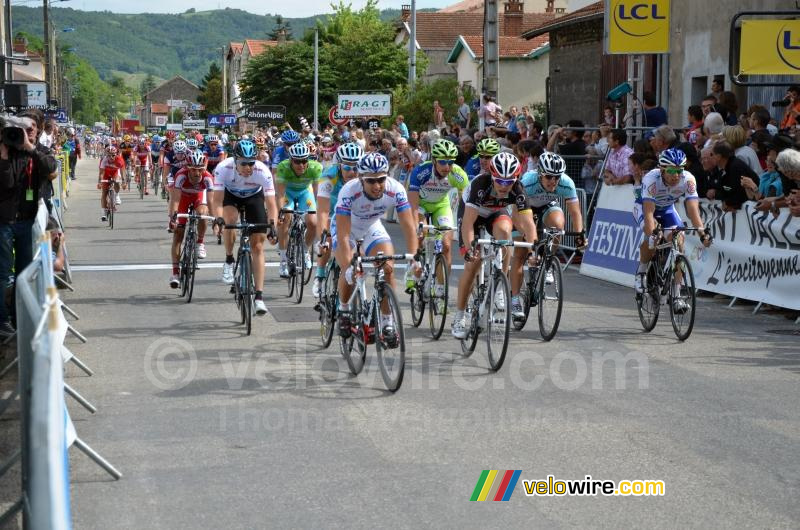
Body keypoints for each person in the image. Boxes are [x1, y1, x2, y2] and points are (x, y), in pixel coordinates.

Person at [334, 152, 419, 342]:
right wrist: (348, 265)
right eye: (371, 181)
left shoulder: (395, 189)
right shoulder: (349, 190)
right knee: (351, 271)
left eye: (381, 179)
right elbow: (344, 234)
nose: (377, 185)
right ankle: (344, 309)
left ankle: (387, 322)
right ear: (361, 178)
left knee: (387, 267)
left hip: (372, 226)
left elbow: (408, 226)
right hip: (347, 228)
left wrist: (414, 256)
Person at [451, 152, 537, 339]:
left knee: (505, 234)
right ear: (492, 176)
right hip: (472, 216)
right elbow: (467, 224)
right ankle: (459, 316)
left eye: (509, 182)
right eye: (499, 181)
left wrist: (533, 250)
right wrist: (469, 248)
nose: (504, 186)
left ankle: (500, 282)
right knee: (472, 264)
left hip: (494, 214)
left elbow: (528, 223)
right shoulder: (480, 185)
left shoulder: (519, 190)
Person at [0, 115, 58, 337]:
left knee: (25, 274)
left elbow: (50, 168)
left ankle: (20, 318)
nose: (27, 131)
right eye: (22, 128)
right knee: (4, 274)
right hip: (4, 221)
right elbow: (7, 185)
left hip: (27, 221)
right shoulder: (7, 150)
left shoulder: (37, 149)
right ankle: (3, 321)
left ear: (37, 129)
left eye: (31, 128)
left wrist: (30, 148)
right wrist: (4, 156)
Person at [510, 152, 585, 319]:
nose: (554, 181)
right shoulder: (527, 182)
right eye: (549, 177)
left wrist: (580, 234)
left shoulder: (566, 183)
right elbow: (516, 214)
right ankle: (514, 299)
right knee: (520, 253)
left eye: (557, 177)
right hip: (523, 208)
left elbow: (575, 212)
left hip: (546, 205)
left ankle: (548, 259)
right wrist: (527, 238)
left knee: (558, 225)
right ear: (540, 174)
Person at [634, 148, 712, 307]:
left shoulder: (688, 180)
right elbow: (649, 213)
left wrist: (702, 232)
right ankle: (641, 272)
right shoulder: (651, 179)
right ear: (662, 169)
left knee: (679, 242)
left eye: (679, 170)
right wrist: (652, 235)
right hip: (646, 208)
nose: (676, 175)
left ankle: (676, 296)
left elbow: (692, 209)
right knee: (653, 238)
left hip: (668, 209)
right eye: (671, 170)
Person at [212, 139, 279, 316]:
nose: (248, 168)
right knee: (230, 219)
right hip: (231, 196)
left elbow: (272, 205)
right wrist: (218, 219)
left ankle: (259, 297)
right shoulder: (223, 168)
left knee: (258, 245)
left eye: (251, 163)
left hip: (253, 196)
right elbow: (217, 200)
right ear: (235, 161)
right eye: (244, 164)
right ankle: (228, 260)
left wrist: (272, 226)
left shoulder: (262, 171)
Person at [407, 140, 468, 288]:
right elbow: (413, 206)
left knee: (446, 245)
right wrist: (416, 227)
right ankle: (412, 270)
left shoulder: (458, 174)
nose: (447, 167)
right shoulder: (421, 172)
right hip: (420, 205)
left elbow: (466, 204)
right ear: (434, 160)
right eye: (442, 162)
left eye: (450, 162)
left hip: (441, 205)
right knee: (420, 237)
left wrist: (464, 225)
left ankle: (441, 289)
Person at [313, 142, 363, 298]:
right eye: (347, 167)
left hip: (352, 210)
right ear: (339, 165)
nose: (352, 171)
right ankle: (320, 276)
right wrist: (322, 237)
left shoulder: (363, 176)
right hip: (332, 207)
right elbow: (322, 211)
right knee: (327, 236)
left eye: (356, 167)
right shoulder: (328, 176)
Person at [274, 142, 323, 278]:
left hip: (305, 193)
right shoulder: (283, 167)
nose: (301, 165)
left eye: (304, 161)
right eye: (297, 161)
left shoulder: (316, 167)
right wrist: (281, 212)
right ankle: (283, 260)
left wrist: (318, 210)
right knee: (286, 219)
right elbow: (281, 194)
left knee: (313, 223)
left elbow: (318, 193)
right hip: (288, 193)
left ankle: (305, 251)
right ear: (290, 160)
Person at [168, 150, 214, 287]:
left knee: (203, 213)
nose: (197, 173)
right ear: (188, 167)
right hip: (182, 199)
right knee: (178, 235)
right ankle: (175, 273)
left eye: (200, 169)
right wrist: (173, 218)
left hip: (198, 197)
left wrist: (216, 220)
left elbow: (211, 202)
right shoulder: (180, 175)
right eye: (193, 169)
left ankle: (200, 242)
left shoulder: (208, 177)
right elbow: (175, 200)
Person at [709, 141, 759, 211]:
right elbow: (725, 189)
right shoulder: (725, 168)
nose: (710, 157)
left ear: (719, 157)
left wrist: (728, 203)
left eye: (712, 154)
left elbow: (741, 193)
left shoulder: (735, 167)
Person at [97, 145, 125, 221]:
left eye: (113, 155)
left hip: (115, 173)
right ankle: (104, 213)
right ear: (106, 155)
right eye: (109, 155)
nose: (111, 157)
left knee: (116, 181)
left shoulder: (119, 159)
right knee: (104, 193)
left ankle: (117, 195)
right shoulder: (104, 160)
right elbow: (101, 173)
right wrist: (99, 182)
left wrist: (124, 181)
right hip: (106, 174)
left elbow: (122, 171)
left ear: (116, 154)